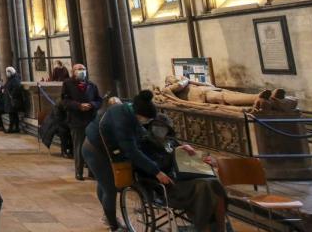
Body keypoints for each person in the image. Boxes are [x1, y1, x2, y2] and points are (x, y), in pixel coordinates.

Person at [82, 91, 170, 231]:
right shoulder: (122, 119)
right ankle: (113, 225)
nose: (147, 122)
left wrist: (165, 147)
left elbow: (142, 135)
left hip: (106, 147)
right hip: (95, 150)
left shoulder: (130, 111)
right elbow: (131, 151)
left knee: (103, 183)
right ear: (140, 115)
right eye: (147, 119)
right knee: (110, 188)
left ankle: (107, 216)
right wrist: (156, 171)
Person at [139, 114, 228, 232]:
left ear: (168, 130)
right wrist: (173, 154)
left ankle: (221, 228)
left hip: (183, 179)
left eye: (163, 126)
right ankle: (203, 228)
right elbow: (156, 166)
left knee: (215, 183)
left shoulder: (171, 142)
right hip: (166, 185)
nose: (159, 128)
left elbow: (185, 160)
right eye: (156, 125)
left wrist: (203, 161)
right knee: (203, 187)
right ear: (151, 126)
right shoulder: (145, 143)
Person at [61, 63, 102, 180]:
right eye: (79, 69)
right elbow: (65, 101)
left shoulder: (92, 85)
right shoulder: (68, 84)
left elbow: (99, 100)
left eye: (83, 69)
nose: (82, 71)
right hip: (76, 120)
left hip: (91, 119)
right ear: (73, 72)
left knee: (93, 146)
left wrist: (92, 105)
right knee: (79, 146)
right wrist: (79, 106)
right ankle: (79, 172)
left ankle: (92, 171)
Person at [3, 67, 23, 133]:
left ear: (11, 72)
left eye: (8, 71)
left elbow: (17, 88)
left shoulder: (15, 79)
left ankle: (11, 128)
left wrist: (12, 94)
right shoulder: (11, 79)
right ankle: (16, 128)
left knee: (12, 114)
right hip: (10, 100)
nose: (7, 73)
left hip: (12, 100)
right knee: (13, 114)